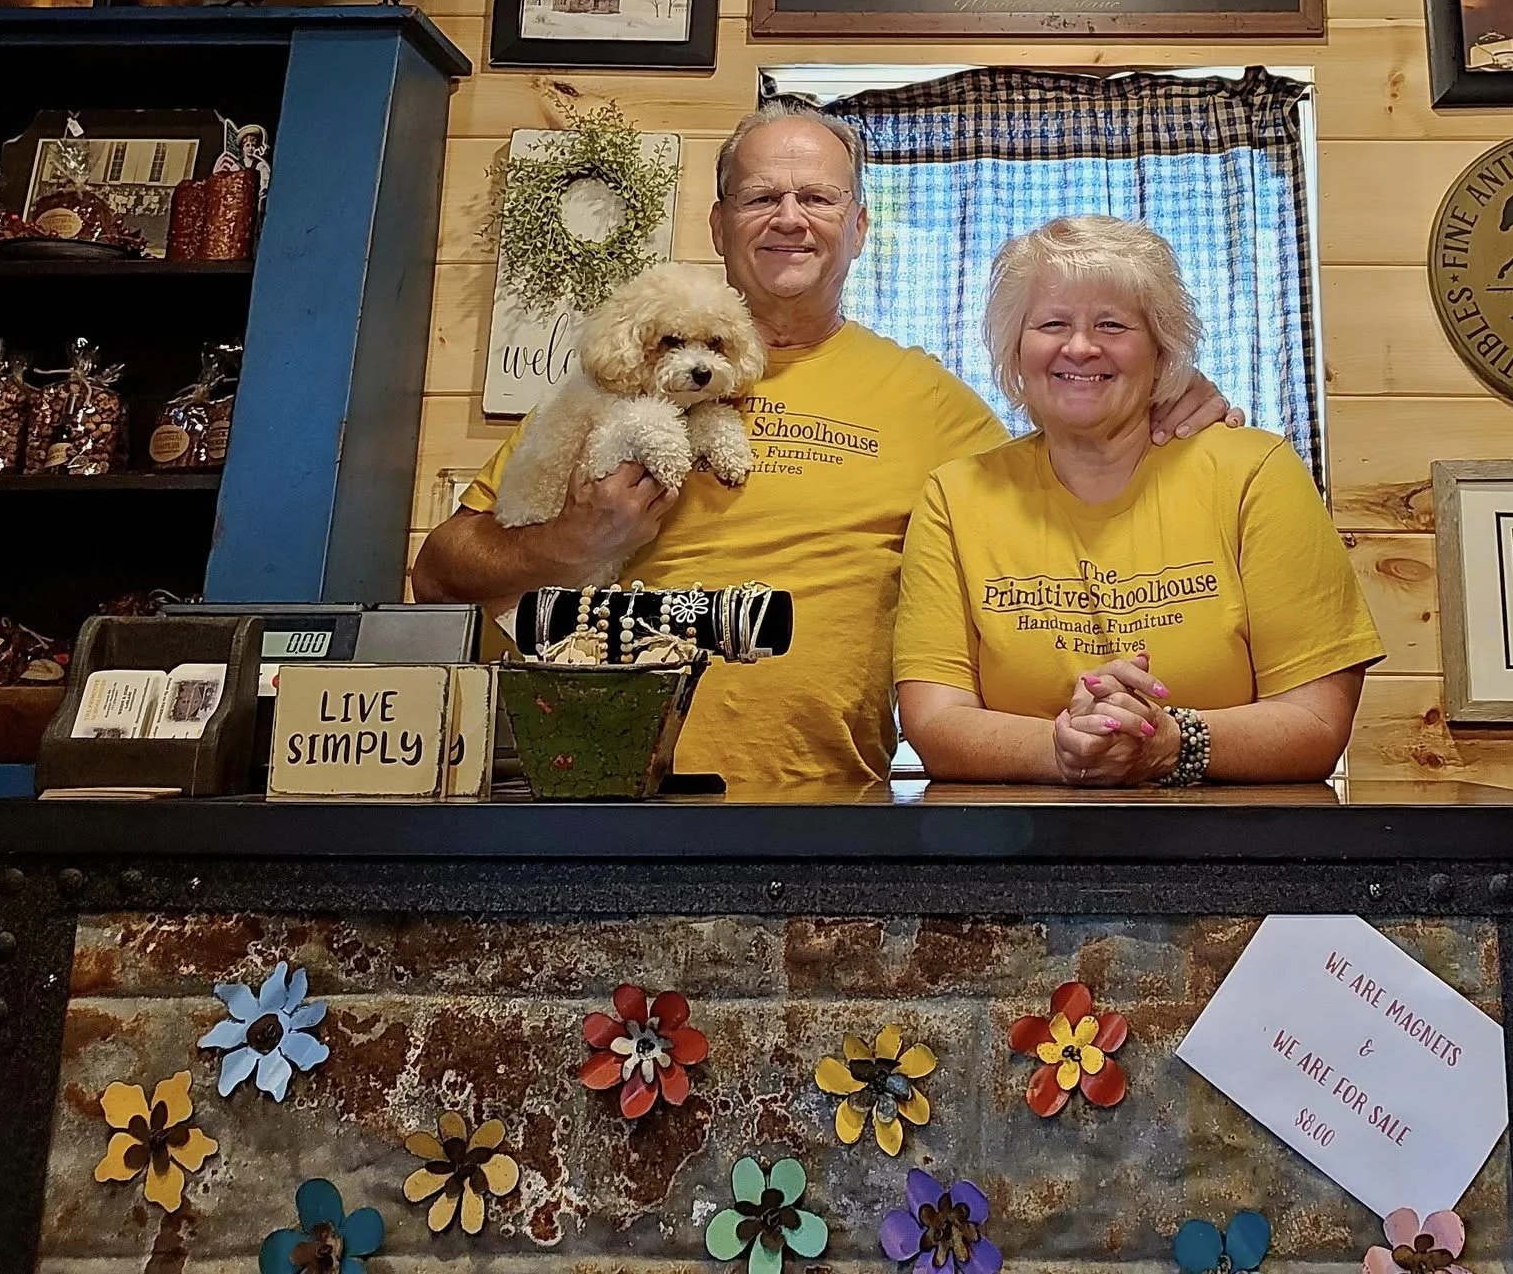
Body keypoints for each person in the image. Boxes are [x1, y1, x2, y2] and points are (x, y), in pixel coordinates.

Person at [411, 104, 1235, 789]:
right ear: (718, 221)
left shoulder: (929, 401)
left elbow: (1069, 487)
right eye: (760, 196)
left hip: (827, 817)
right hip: (597, 795)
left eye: (818, 197)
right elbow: (439, 574)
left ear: (860, 225)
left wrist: (1160, 407)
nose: (790, 218)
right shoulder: (623, 382)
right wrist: (569, 541)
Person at [894, 216, 1384, 787]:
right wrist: (1066, 749)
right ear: (1015, 349)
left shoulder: (1255, 473)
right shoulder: (954, 496)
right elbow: (934, 722)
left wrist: (1171, 741)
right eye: (1052, 323)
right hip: (1013, 855)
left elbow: (1317, 722)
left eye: (1112, 324)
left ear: (1162, 348)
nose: (1080, 346)